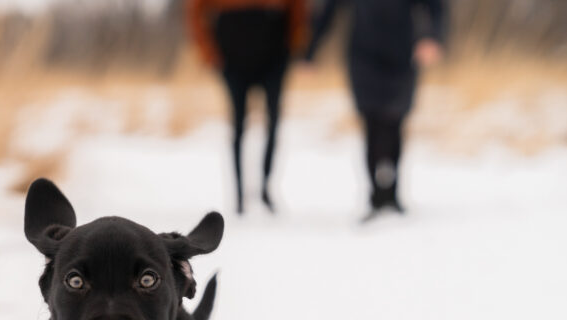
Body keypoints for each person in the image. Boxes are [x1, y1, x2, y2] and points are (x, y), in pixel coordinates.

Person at [304, 0, 445, 219]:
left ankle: (392, 192)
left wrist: (432, 37)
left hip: (402, 55)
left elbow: (435, 7)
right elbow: (329, 12)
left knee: (395, 121)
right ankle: (375, 194)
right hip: (363, 56)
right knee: (372, 123)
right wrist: (310, 51)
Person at [187, 0, 310, 214]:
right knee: (238, 125)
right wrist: (210, 54)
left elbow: (298, 8)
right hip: (232, 55)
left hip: (274, 51)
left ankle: (265, 186)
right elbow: (195, 11)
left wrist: (293, 45)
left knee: (273, 121)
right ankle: (239, 196)